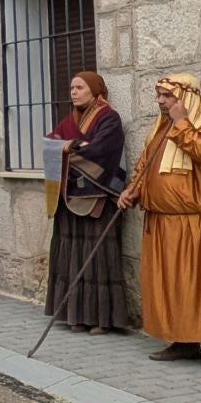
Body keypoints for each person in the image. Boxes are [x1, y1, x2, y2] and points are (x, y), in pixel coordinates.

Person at [118, 74, 201, 376]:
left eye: (167, 95)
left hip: (192, 221)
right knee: (168, 284)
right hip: (159, 219)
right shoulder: (160, 129)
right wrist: (133, 190)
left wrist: (182, 123)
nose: (160, 101)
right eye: (159, 95)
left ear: (185, 97)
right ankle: (184, 343)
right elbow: (145, 164)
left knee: (199, 284)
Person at [45, 72, 129, 334]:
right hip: (69, 197)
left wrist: (68, 148)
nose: (73, 92)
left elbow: (101, 150)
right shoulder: (70, 121)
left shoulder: (109, 119)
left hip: (98, 199)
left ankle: (101, 319)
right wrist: (69, 145)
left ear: (94, 90)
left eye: (79, 87)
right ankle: (75, 315)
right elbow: (50, 143)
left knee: (98, 260)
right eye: (71, 87)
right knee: (72, 257)